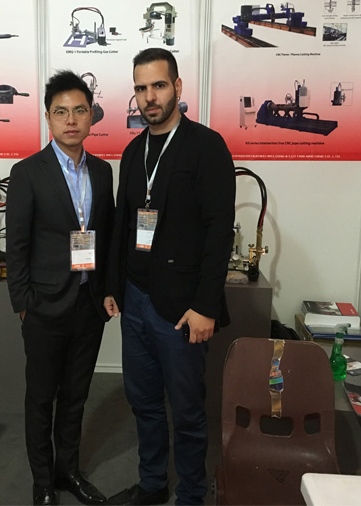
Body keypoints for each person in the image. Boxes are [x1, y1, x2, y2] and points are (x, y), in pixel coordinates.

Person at [104, 48, 235, 505]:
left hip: (182, 309)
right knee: (143, 402)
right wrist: (113, 286)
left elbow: (219, 233)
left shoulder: (207, 147)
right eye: (141, 88)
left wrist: (205, 306)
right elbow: (124, 224)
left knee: (187, 411)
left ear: (177, 87)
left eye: (158, 86)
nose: (149, 97)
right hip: (136, 300)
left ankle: (192, 496)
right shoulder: (132, 151)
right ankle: (153, 483)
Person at [6, 70, 114, 506]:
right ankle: (42, 482)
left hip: (88, 304)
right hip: (44, 307)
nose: (71, 120)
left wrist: (107, 290)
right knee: (40, 398)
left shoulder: (103, 172)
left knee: (76, 395)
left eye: (79, 111)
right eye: (61, 112)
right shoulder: (27, 173)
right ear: (48, 118)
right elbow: (17, 245)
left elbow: (106, 236)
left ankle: (67, 470)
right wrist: (24, 303)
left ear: (91, 116)